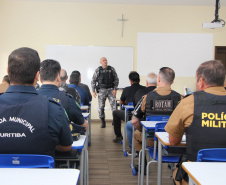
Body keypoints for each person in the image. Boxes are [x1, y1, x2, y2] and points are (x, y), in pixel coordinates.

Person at [0, 47, 73, 157]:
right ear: (37, 75)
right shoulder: (53, 108)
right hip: (40, 172)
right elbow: (66, 146)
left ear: (8, 72)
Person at [165, 60, 226, 185]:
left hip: (197, 173)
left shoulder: (189, 102)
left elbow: (173, 141)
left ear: (201, 81)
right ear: (224, 81)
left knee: (176, 174)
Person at [131, 67, 181, 156]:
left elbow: (134, 121)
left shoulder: (147, 97)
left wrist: (143, 131)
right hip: (172, 140)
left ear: (158, 79)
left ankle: (143, 164)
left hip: (151, 140)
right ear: (172, 81)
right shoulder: (180, 98)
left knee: (136, 134)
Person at [38, 59, 88, 130]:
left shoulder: (30, 97)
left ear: (39, 78)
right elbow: (84, 126)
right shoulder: (67, 100)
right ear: (58, 77)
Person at [126, 72, 157, 154]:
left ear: (146, 82)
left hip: (145, 128)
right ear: (157, 82)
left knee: (129, 125)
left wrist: (140, 129)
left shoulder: (141, 93)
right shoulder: (168, 96)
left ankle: (133, 151)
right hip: (163, 133)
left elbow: (135, 109)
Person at [113, 71, 145, 142]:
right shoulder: (144, 89)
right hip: (141, 116)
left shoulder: (126, 89)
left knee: (115, 112)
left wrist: (126, 102)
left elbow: (121, 102)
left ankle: (118, 136)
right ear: (139, 80)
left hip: (129, 115)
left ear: (130, 81)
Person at [91, 57, 119, 128]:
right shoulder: (98, 70)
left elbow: (116, 79)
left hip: (111, 90)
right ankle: (102, 121)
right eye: (103, 60)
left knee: (114, 107)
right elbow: (93, 80)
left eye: (106, 60)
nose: (105, 61)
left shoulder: (111, 69)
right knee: (101, 107)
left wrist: (115, 89)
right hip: (102, 90)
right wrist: (93, 91)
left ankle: (115, 121)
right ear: (101, 62)